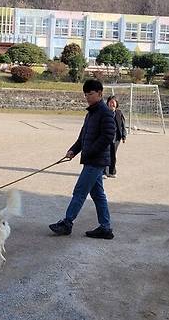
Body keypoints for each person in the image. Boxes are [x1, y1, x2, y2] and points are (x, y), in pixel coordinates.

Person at [49, 79, 115, 239]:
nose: (87, 97)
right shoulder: (91, 113)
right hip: (91, 159)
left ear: (100, 93)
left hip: (95, 160)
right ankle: (105, 228)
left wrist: (89, 152)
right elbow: (83, 137)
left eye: (90, 94)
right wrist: (73, 150)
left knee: (79, 191)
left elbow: (108, 136)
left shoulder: (105, 112)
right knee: (98, 195)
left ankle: (67, 222)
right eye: (85, 94)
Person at [104, 96, 126, 178]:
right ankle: (104, 172)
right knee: (106, 154)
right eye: (110, 102)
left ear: (116, 104)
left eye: (113, 102)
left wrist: (124, 136)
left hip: (116, 138)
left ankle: (112, 172)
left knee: (113, 155)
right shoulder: (104, 112)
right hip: (106, 137)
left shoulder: (119, 113)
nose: (111, 103)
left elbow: (123, 125)